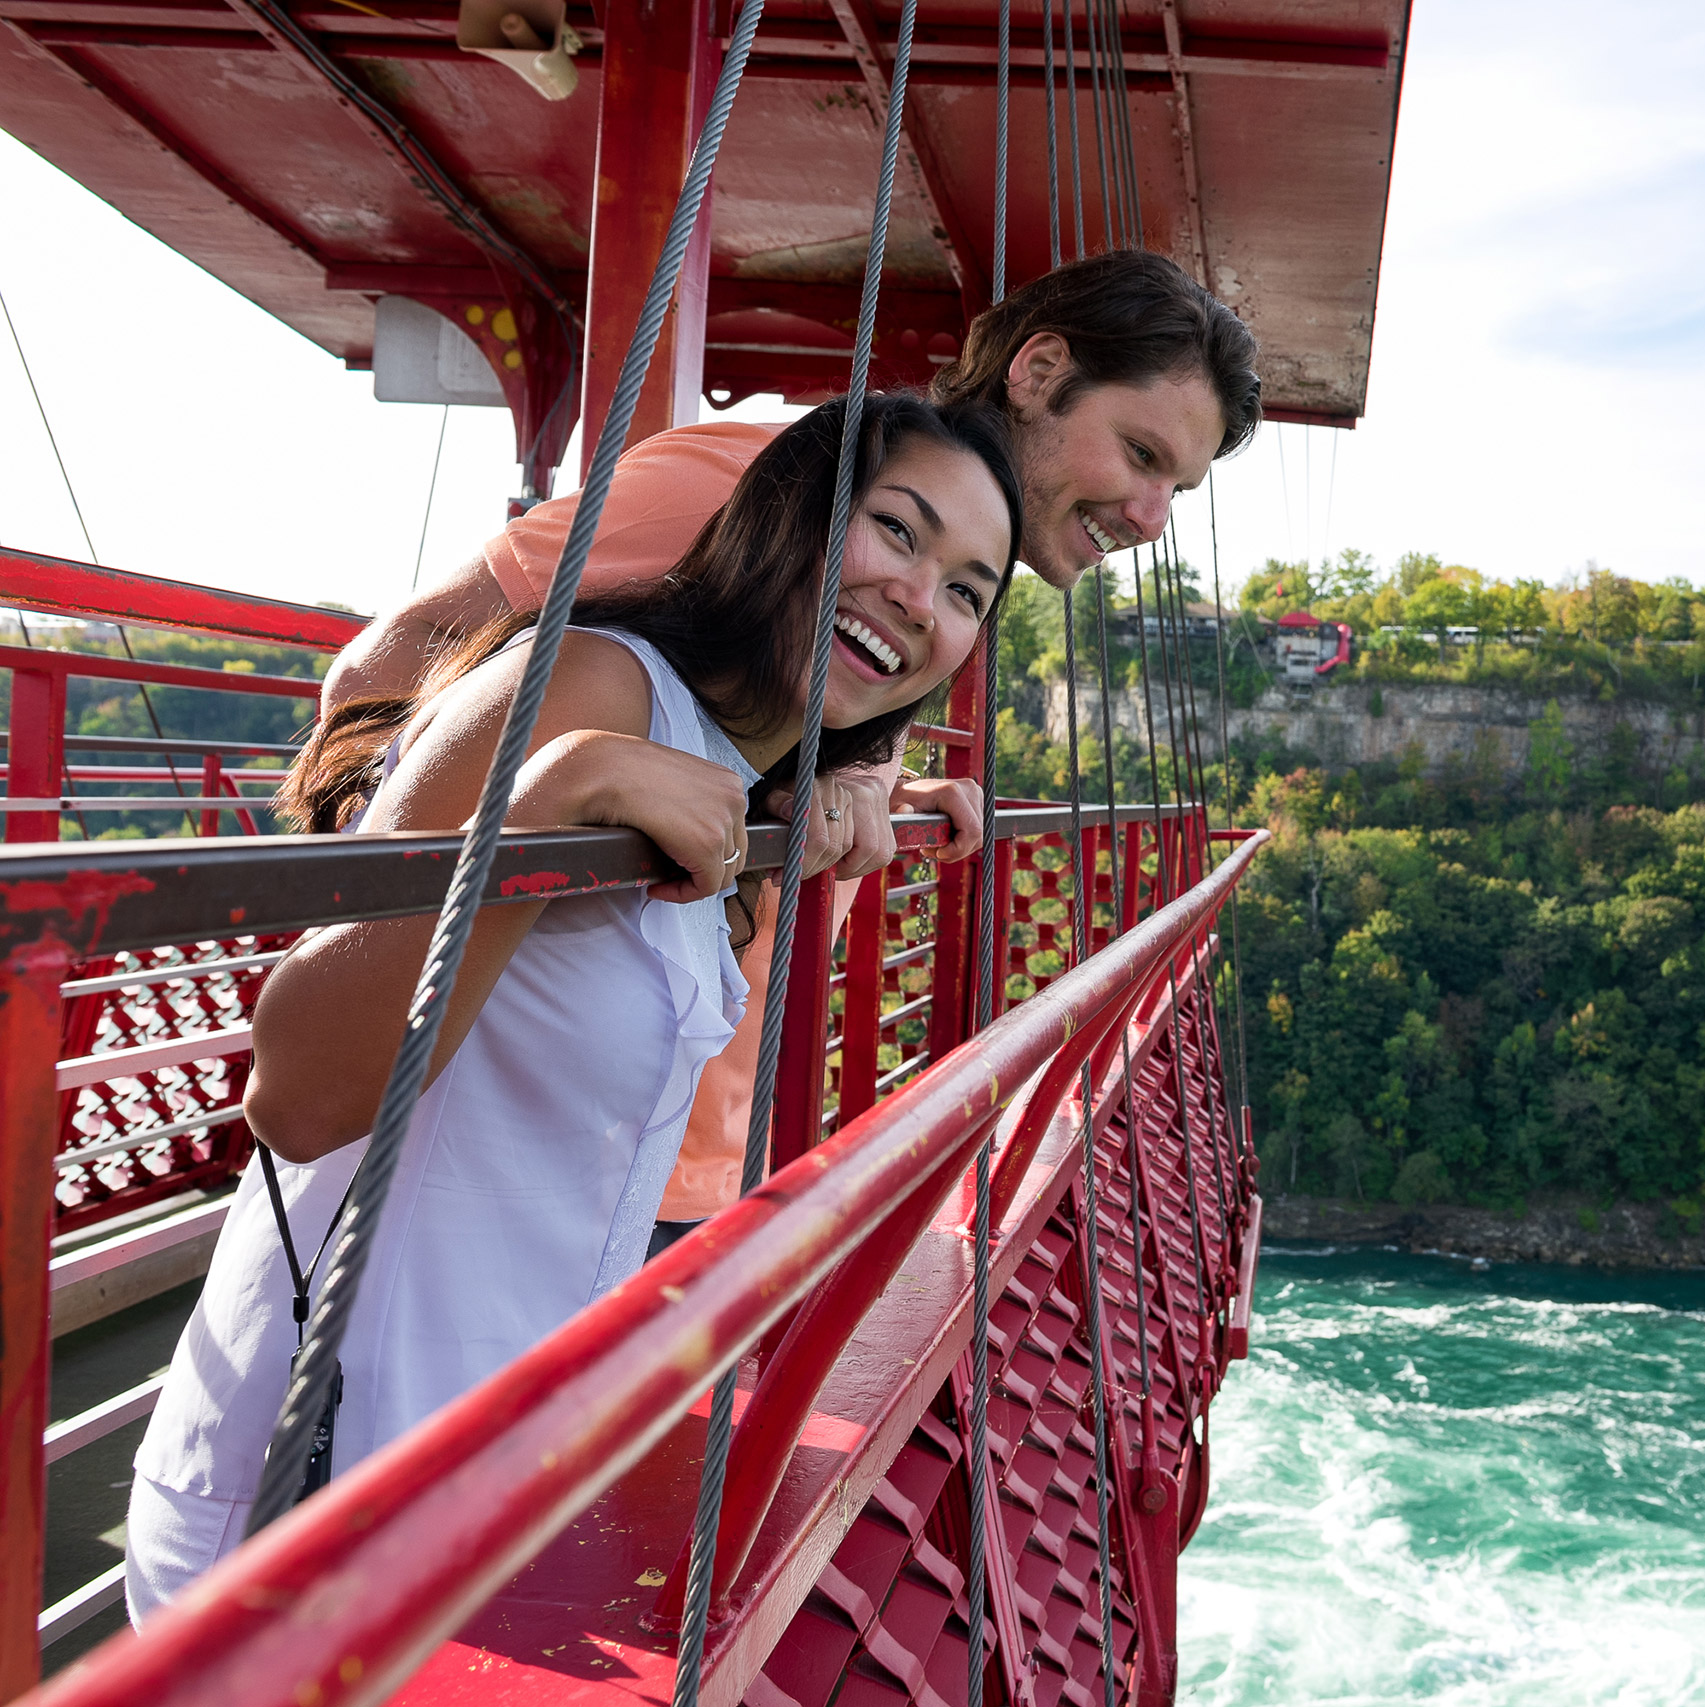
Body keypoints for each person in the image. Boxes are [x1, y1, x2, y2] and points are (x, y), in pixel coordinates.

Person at [125, 393, 1021, 1620]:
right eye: (898, 531)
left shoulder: (729, 768)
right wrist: (547, 794)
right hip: (313, 1487)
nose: (921, 597)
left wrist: (844, 792)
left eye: (968, 591)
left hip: (492, 1484)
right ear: (786, 515)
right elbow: (297, 1094)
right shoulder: (590, 683)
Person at [316, 248, 1263, 1233]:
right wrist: (401, 925)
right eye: (1141, 455)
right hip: (501, 1158)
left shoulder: (924, 597)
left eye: (1178, 489)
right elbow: (385, 674)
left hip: (682, 1151)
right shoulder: (750, 489)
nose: (1152, 519)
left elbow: (710, 729)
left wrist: (868, 783)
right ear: (1039, 372)